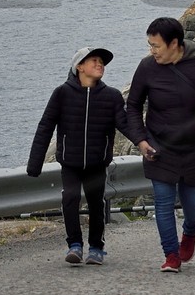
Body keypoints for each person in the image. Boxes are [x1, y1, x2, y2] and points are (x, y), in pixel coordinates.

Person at [123, 17, 195, 272]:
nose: (152, 51)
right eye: (150, 45)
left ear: (174, 43)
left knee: (193, 208)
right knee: (163, 203)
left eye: (156, 46)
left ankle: (190, 233)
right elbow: (133, 106)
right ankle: (171, 255)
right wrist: (140, 140)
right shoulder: (147, 67)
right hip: (160, 147)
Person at [27, 46, 128, 265]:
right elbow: (45, 127)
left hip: (97, 162)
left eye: (102, 61)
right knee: (70, 198)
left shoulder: (111, 96)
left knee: (95, 204)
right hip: (70, 162)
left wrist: (147, 143)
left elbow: (126, 125)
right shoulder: (62, 93)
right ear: (79, 67)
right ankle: (74, 245)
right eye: (93, 60)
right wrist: (35, 164)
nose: (99, 64)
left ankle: (96, 248)